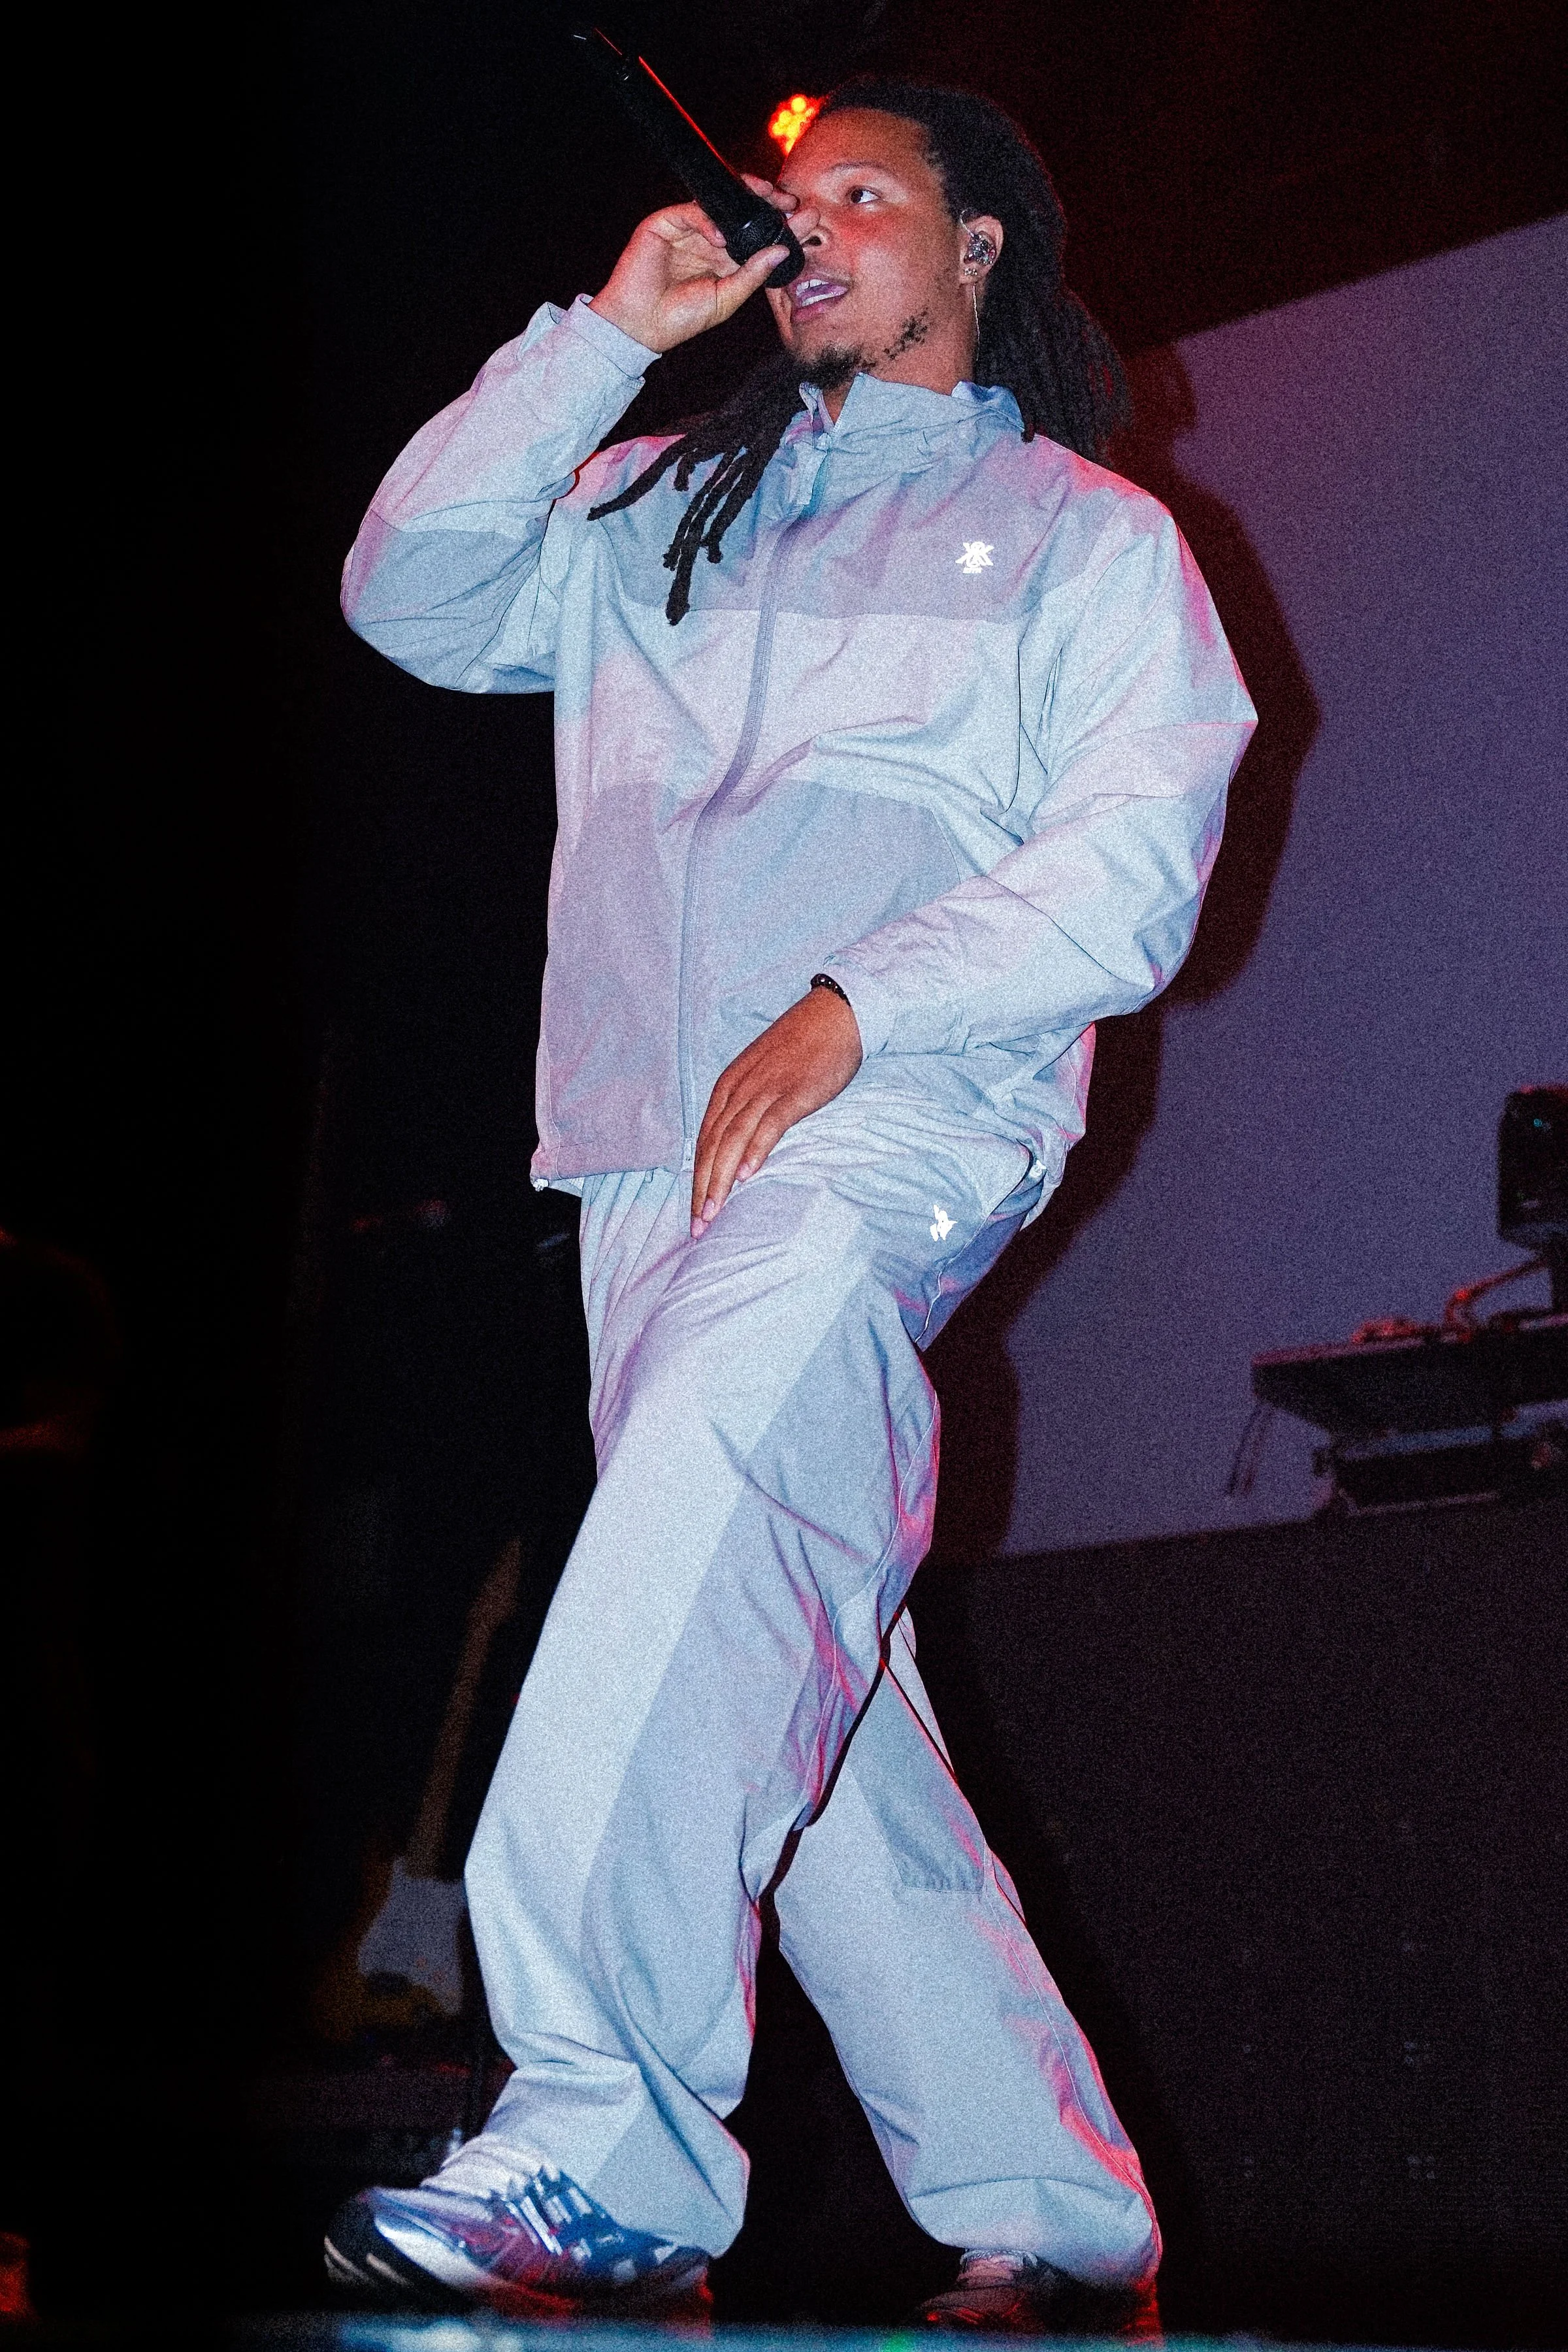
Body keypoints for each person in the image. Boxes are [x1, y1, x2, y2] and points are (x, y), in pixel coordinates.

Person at [324, 78, 1255, 2328]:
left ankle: (605, 2142)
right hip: (646, 1146)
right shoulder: (659, 493)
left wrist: (858, 1001)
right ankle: (1055, 2187)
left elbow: (1130, 866)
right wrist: (596, 340)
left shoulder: (1085, 538)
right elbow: (407, 594)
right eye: (791, 192)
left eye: (871, 193)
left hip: (897, 1116)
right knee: (792, 1669)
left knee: (700, 1540)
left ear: (979, 255)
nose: (811, 221)